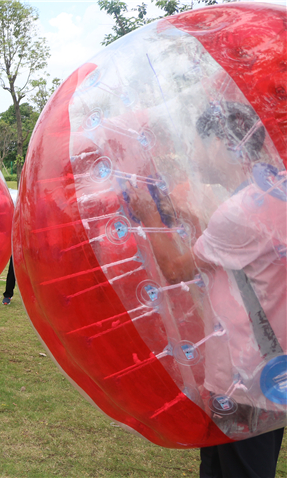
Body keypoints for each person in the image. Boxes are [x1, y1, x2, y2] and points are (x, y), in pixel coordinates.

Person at [127, 101, 284, 478]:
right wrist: (184, 217)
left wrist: (148, 215)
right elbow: (231, 256)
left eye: (197, 143)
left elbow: (174, 269)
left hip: (242, 379)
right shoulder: (272, 193)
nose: (193, 154)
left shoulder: (238, 211)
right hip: (269, 376)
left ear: (220, 144)